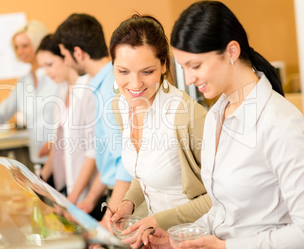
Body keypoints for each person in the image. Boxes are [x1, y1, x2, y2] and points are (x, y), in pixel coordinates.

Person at [148, 0, 304, 249]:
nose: (189, 78)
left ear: (231, 51)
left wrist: (225, 246)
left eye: (195, 66)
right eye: (183, 67)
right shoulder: (216, 115)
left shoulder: (280, 122)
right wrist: (190, 237)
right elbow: (225, 212)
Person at [107, 14, 211, 249]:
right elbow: (145, 167)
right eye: (123, 72)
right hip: (157, 240)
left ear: (164, 65)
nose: (134, 85)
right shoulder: (121, 105)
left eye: (146, 72)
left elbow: (224, 196)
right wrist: (129, 202)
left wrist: (159, 220)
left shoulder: (187, 116)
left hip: (196, 239)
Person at [54, 13, 133, 226]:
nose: (66, 62)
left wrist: (109, 220)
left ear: (78, 53)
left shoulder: (108, 90)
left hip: (126, 200)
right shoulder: (101, 83)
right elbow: (107, 154)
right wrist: (89, 200)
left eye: (65, 55)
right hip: (115, 194)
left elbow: (125, 163)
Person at [36, 34, 104, 219]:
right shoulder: (61, 91)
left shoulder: (89, 89)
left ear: (66, 58)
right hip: (69, 185)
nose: (47, 72)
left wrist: (72, 199)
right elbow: (58, 145)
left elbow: (93, 150)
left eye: (49, 64)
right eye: (43, 66)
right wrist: (40, 182)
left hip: (90, 192)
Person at [0, 21, 62, 185]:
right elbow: (1, 115)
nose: (20, 51)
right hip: (38, 159)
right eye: (16, 47)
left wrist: (53, 141)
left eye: (25, 45)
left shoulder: (57, 77)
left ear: (38, 43)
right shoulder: (23, 82)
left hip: (61, 156)